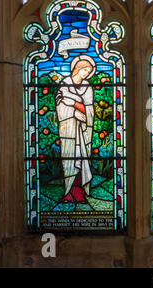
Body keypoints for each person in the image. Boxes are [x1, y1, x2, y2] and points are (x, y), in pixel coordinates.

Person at [55, 55, 96, 204]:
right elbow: (60, 105)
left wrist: (75, 104)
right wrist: (74, 112)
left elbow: (90, 109)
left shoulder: (88, 87)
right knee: (70, 159)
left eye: (89, 71)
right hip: (68, 129)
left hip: (83, 131)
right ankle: (68, 193)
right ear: (77, 68)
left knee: (82, 159)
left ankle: (79, 194)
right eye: (85, 70)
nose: (86, 73)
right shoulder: (64, 84)